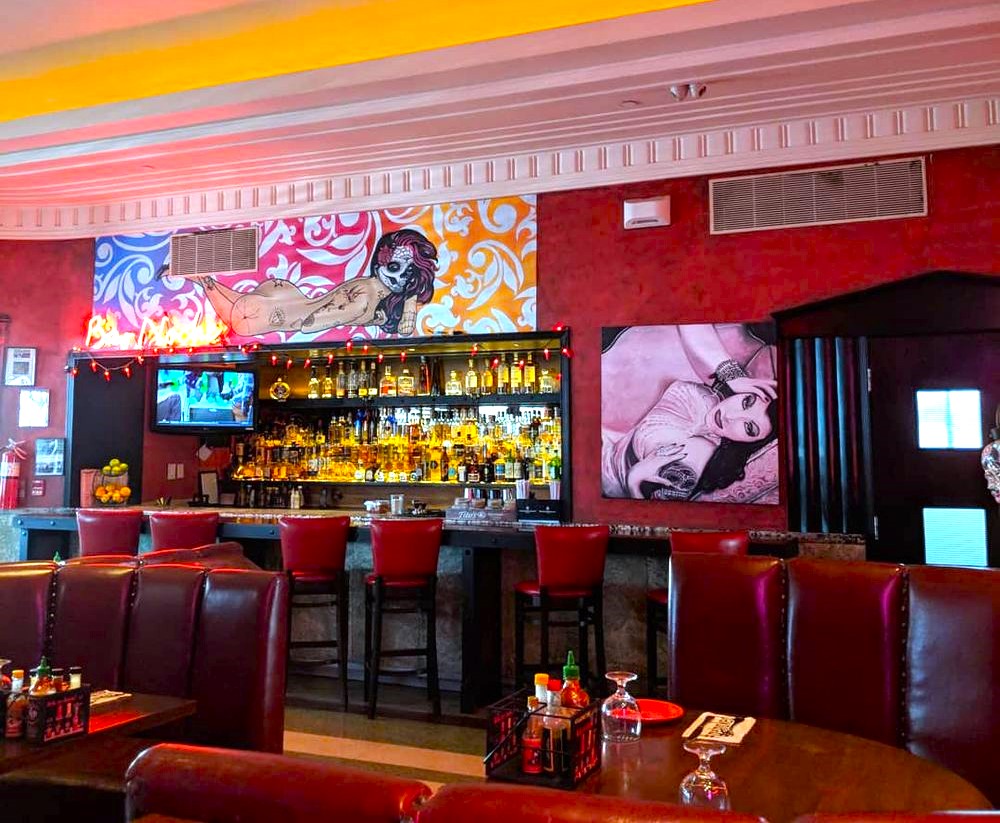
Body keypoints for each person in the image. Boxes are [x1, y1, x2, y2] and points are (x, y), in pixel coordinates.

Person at [601, 323, 778, 501]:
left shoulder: (700, 452)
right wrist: (734, 377)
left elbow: (660, 513)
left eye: (749, 427)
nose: (731, 416)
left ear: (753, 442)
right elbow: (692, 325)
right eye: (747, 402)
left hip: (604, 482)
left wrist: (633, 482)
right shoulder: (707, 395)